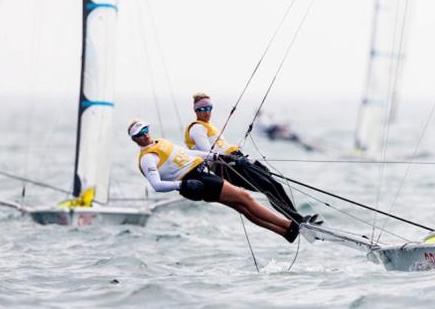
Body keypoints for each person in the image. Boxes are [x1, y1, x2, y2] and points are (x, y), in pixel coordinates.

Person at [129, 119, 302, 243]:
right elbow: (156, 186)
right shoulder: (147, 158)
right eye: (139, 135)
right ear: (134, 139)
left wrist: (220, 157)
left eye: (145, 131)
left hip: (199, 176)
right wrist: (181, 184)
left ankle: (285, 233)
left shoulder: (161, 142)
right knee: (245, 198)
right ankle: (290, 225)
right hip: (195, 181)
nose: (144, 136)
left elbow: (189, 154)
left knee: (242, 207)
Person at [183, 93, 321, 225]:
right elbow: (208, 154)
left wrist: (242, 158)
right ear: (196, 111)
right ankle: (297, 220)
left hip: (237, 160)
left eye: (209, 108)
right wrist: (233, 159)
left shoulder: (208, 126)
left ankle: (298, 218)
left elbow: (222, 147)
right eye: (202, 109)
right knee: (267, 187)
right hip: (228, 166)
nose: (207, 112)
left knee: (275, 185)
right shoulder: (196, 128)